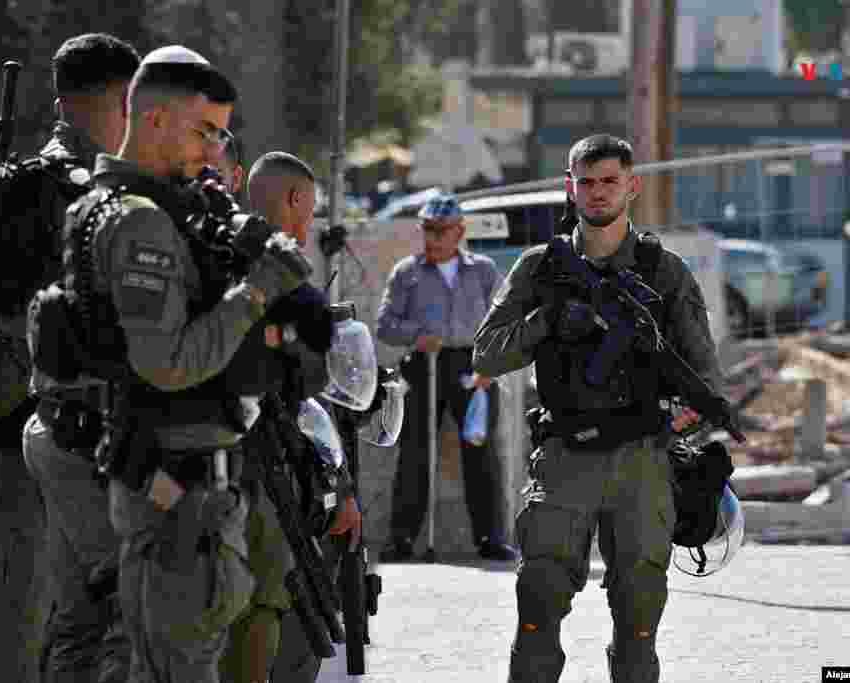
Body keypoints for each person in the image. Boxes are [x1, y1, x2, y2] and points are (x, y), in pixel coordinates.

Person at [51, 45, 338, 683]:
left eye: (220, 134)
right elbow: (170, 364)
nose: (214, 150)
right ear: (153, 119)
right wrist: (258, 288)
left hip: (189, 492)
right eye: (203, 131)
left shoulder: (144, 208)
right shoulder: (140, 224)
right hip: (175, 498)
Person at [472, 134, 723, 683]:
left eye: (610, 181)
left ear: (632, 186)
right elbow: (487, 354)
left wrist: (686, 418)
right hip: (564, 457)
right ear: (570, 187)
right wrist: (547, 319)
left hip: (641, 461)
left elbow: (705, 378)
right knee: (537, 609)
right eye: (586, 182)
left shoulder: (665, 273)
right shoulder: (540, 268)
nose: (598, 193)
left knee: (638, 621)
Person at [0, 33, 139, 683]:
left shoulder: (18, 189)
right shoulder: (93, 200)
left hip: (11, 469)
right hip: (36, 471)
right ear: (122, 99)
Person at [221, 150, 362, 683]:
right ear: (297, 199)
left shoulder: (210, 245)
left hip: (224, 459)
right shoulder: (274, 265)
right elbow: (311, 385)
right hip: (255, 467)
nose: (310, 226)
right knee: (261, 601)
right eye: (311, 209)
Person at [376, 193, 516, 562]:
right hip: (424, 364)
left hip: (474, 367)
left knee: (481, 454)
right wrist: (416, 335)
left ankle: (490, 537)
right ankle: (402, 538)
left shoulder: (483, 270)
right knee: (416, 453)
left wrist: (491, 367)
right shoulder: (407, 272)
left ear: (459, 232)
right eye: (427, 230)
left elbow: (503, 322)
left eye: (441, 231)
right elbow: (385, 325)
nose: (433, 239)